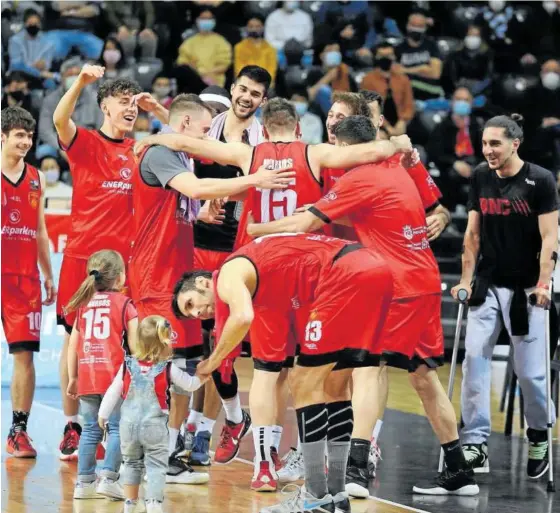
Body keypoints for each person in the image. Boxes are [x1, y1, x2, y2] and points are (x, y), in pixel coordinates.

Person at [249, 115, 479, 497]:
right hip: (424, 279)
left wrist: (256, 230)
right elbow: (433, 204)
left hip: (396, 284)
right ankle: (458, 469)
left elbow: (306, 223)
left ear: (344, 147)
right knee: (423, 376)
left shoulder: (360, 177)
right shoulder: (396, 166)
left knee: (367, 369)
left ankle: (354, 470)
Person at [130, 93, 295, 483]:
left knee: (187, 366)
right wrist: (256, 178)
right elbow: (200, 187)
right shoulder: (161, 154)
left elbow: (199, 196)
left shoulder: (177, 155)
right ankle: (153, 455)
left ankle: (176, 448)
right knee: (161, 371)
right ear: (185, 125)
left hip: (176, 269)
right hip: (158, 277)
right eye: (206, 128)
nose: (210, 135)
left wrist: (256, 190)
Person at [172, 232, 393, 512]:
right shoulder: (261, 269)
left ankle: (315, 496)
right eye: (190, 314)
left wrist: (210, 363)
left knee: (303, 380)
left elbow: (242, 316)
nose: (196, 314)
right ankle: (336, 496)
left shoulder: (228, 273)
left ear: (204, 283)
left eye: (191, 303)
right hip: (376, 268)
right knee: (336, 386)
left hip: (344, 273)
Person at [52, 64, 164, 461]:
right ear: (104, 107)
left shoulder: (140, 150)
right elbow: (58, 118)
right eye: (122, 101)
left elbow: (185, 142)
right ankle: (74, 427)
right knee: (74, 340)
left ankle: (117, 425)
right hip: (83, 258)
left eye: (134, 102)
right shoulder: (83, 141)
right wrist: (80, 82)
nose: (130, 108)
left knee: (121, 343)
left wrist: (160, 111)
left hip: (124, 262)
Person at [452, 114, 558, 479]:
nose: (488, 151)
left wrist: (544, 283)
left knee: (530, 374)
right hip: (488, 283)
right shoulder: (480, 176)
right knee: (474, 364)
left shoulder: (540, 180)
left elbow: (550, 239)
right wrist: (466, 279)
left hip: (527, 289)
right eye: (484, 144)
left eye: (495, 144)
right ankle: (475, 443)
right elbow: (472, 235)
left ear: (516, 143)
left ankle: (539, 433)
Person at [189, 66, 270, 468]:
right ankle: (196, 428)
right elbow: (180, 177)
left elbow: (264, 185)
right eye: (242, 89)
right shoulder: (206, 131)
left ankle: (229, 422)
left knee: (221, 345)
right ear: (233, 89)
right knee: (191, 344)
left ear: (262, 101)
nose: (246, 97)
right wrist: (197, 204)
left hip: (238, 252)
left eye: (255, 94)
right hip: (194, 245)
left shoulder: (265, 142)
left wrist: (223, 194)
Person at [98, 316, 204, 513]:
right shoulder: (168, 368)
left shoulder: (127, 366)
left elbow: (113, 391)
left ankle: (130, 503)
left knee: (131, 463)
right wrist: (203, 374)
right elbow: (191, 385)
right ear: (164, 343)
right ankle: (154, 503)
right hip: (154, 426)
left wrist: (102, 415)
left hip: (128, 426)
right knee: (156, 464)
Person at [2, 106, 56, 458]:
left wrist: (49, 273)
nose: (25, 141)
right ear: (2, 137)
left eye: (29, 136)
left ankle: (18, 430)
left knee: (25, 355)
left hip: (23, 278)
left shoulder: (36, 176)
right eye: (19, 135)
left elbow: (39, 230)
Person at [65, 250, 136, 500]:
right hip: (113, 378)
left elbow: (73, 345)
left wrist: (73, 377)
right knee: (117, 428)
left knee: (91, 430)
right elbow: (136, 346)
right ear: (119, 278)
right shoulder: (125, 304)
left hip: (86, 376)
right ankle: (109, 477)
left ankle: (83, 484)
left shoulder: (82, 306)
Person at [427, 86, 484, 211]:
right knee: (449, 176)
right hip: (450, 166)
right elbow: (435, 153)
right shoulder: (442, 126)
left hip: (474, 164)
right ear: (452, 102)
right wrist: (454, 163)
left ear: (471, 103)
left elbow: (485, 152)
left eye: (466, 100)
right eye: (458, 99)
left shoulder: (478, 125)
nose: (462, 103)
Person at [360, 42, 415, 137]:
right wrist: (388, 127)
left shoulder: (403, 78)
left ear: (394, 57)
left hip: (402, 122)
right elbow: (369, 109)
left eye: (389, 55)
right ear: (375, 58)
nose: (386, 59)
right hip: (377, 123)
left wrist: (403, 121)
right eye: (381, 55)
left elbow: (408, 104)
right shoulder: (367, 80)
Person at [176, 9, 232, 89]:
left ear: (214, 21)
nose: (206, 21)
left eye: (209, 18)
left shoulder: (221, 42)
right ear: (197, 20)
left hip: (214, 81)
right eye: (203, 18)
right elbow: (182, 62)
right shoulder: (189, 42)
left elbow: (224, 64)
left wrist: (207, 74)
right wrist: (198, 73)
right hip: (192, 80)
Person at [395, 11, 443, 100]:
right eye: (413, 25)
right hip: (406, 92)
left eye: (420, 26)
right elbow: (396, 72)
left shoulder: (431, 46)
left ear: (425, 28)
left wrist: (406, 70)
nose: (416, 29)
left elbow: (435, 74)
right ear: (407, 26)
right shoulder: (399, 48)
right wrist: (423, 68)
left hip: (431, 92)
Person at [7, 8, 57, 90]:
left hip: (41, 75)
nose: (33, 26)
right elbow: (16, 65)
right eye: (30, 23)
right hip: (19, 75)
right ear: (25, 24)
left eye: (36, 23)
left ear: (40, 24)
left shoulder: (48, 42)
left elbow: (47, 63)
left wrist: (43, 65)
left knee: (51, 84)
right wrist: (36, 71)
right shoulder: (15, 40)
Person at [307, 42, 358, 116]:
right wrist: (329, 77)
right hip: (319, 115)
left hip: (345, 115)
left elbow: (356, 99)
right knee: (324, 90)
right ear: (321, 56)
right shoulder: (314, 73)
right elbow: (309, 96)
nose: (334, 53)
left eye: (336, 50)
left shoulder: (346, 72)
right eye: (330, 50)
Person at [234, 15, 277, 85]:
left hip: (264, 84)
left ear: (263, 28)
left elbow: (272, 71)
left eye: (257, 26)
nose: (254, 29)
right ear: (246, 28)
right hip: (245, 83)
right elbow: (239, 69)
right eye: (251, 26)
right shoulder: (239, 47)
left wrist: (261, 84)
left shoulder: (271, 48)